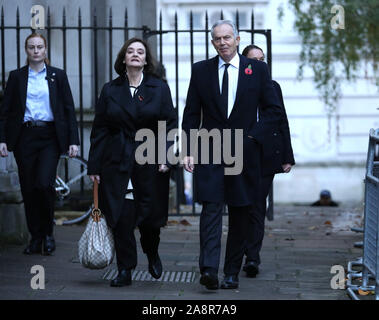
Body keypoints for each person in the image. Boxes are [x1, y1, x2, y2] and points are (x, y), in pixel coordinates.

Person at [182, 20, 283, 290]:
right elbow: (191, 112)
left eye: (228, 37)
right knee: (211, 209)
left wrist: (252, 138)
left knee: (240, 213)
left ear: (237, 40)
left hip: (245, 154)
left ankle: (231, 272)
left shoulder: (257, 70)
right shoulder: (201, 70)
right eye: (218, 39)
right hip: (210, 149)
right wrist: (189, 149)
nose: (223, 42)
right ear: (212, 42)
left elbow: (273, 110)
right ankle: (209, 270)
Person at [87, 38, 177, 287]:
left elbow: (169, 123)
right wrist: (94, 165)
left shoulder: (159, 88)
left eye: (140, 52)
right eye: (130, 51)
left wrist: (167, 155)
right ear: (123, 58)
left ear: (146, 60)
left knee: (149, 219)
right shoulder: (110, 89)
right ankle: (125, 269)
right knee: (121, 218)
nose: (135, 55)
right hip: (117, 159)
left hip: (149, 158)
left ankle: (152, 251)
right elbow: (100, 129)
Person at [0, 33, 80, 255]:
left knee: (44, 185)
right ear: (26, 50)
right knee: (28, 188)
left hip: (49, 137)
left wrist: (74, 140)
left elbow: (68, 109)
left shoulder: (58, 76)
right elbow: (5, 112)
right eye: (31, 47)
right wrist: (3, 139)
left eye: (40, 47)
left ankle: (48, 234)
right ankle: (35, 238)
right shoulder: (16, 77)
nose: (36, 51)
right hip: (25, 137)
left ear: (45, 50)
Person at [241, 44, 295, 278]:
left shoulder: (273, 87)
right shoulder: (236, 85)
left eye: (263, 59)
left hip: (265, 154)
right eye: (254, 60)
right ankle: (240, 249)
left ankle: (252, 257)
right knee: (241, 205)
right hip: (239, 153)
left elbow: (281, 120)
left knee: (257, 206)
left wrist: (287, 156)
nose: (261, 64)